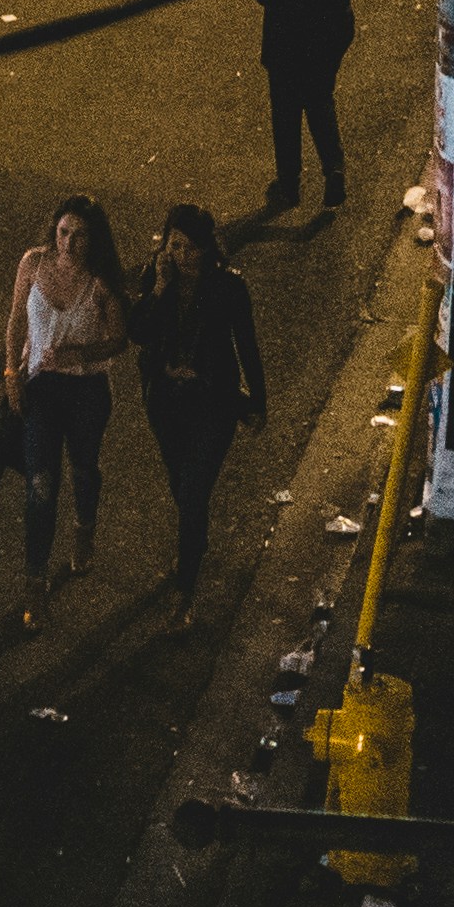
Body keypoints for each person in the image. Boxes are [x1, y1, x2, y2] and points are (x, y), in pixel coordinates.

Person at [133, 206, 269, 621]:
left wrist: (259, 401)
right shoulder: (158, 281)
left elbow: (247, 346)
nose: (181, 256)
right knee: (181, 484)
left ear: (208, 250)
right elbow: (138, 333)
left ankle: (184, 592)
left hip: (213, 402)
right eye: (174, 246)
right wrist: (157, 289)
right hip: (167, 402)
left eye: (190, 248)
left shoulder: (228, 290)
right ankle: (194, 540)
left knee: (193, 491)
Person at [0, 197, 130, 627]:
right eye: (63, 233)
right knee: (40, 486)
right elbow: (17, 318)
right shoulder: (33, 265)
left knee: (84, 468)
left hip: (87, 391)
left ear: (95, 240)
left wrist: (75, 352)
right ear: (53, 231)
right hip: (40, 389)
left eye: (80, 235)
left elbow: (118, 339)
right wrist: (10, 373)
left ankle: (84, 529)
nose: (69, 243)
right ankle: (36, 583)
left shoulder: (101, 283)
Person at [252, 0, 362, 206]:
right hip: (331, 32)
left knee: (286, 111)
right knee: (318, 97)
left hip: (289, 39)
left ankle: (289, 185)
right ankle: (333, 169)